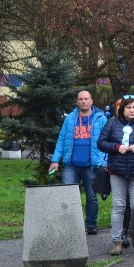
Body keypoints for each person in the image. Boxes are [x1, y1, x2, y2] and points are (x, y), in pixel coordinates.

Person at [97, 95, 134, 256]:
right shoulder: (112, 123)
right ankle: (117, 241)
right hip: (117, 171)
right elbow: (100, 143)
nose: (132, 110)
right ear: (122, 109)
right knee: (119, 206)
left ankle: (133, 230)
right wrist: (116, 147)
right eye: (128, 107)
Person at [50, 90, 108, 235]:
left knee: (91, 196)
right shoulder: (70, 118)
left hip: (91, 165)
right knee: (67, 194)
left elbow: (107, 141)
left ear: (91, 101)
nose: (83, 101)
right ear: (77, 102)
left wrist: (103, 161)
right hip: (71, 165)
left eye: (86, 99)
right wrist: (55, 160)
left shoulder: (100, 119)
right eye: (80, 99)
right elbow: (62, 140)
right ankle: (70, 224)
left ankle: (91, 225)